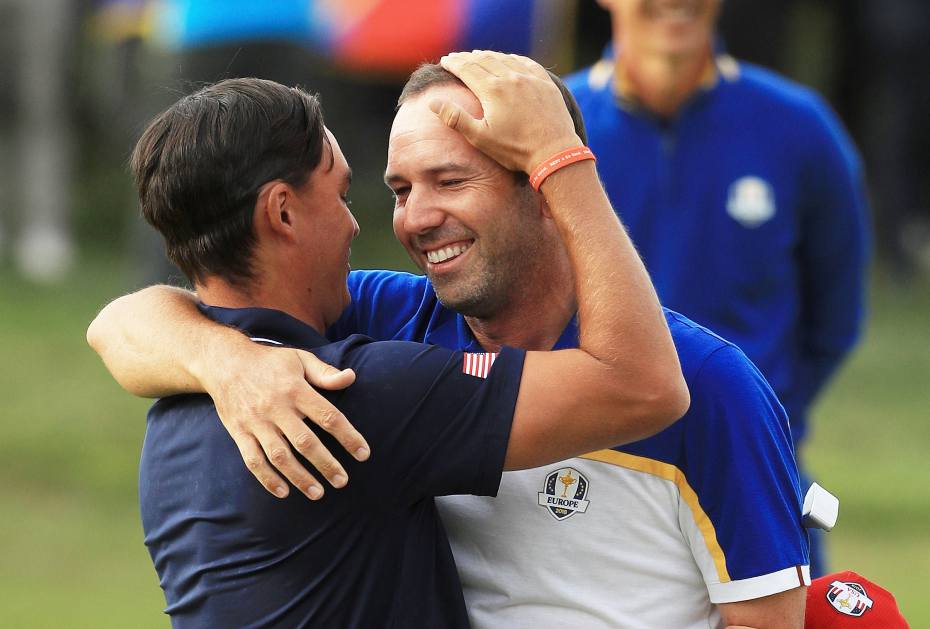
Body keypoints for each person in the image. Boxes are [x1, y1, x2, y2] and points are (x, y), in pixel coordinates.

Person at [89, 60, 810, 627]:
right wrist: (229, 362)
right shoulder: (371, 331)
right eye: (399, 189)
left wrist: (227, 361)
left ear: (544, 186)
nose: (412, 219)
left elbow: (767, 619)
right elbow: (121, 324)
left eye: (449, 180)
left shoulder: (711, 384)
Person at [565, 0, 871, 576]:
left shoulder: (799, 127)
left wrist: (756, 413)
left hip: (757, 482)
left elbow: (835, 317)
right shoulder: (551, 130)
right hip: (595, 487)